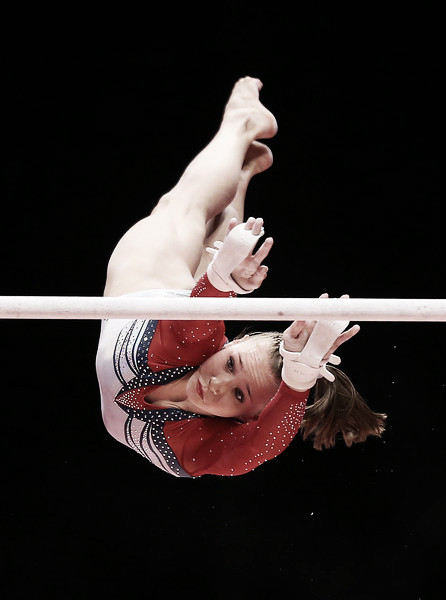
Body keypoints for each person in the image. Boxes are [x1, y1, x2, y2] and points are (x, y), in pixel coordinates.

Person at [96, 77, 386, 478]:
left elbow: (263, 444)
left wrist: (298, 380)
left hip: (185, 314)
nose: (216, 385)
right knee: (182, 207)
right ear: (237, 341)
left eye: (237, 395)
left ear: (248, 416)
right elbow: (200, 315)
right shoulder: (192, 341)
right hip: (149, 291)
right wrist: (220, 281)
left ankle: (244, 171)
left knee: (221, 253)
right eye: (230, 364)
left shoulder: (200, 446)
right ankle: (243, 123)